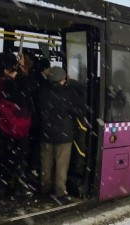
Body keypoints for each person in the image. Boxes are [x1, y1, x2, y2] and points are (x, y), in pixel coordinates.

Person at [38, 66, 84, 202]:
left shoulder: (42, 91)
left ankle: (45, 188)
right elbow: (78, 110)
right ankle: (60, 192)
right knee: (61, 165)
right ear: (63, 78)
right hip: (64, 135)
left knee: (46, 163)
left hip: (46, 133)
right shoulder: (68, 92)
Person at [0, 52, 33, 199]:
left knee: (5, 161)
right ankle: (17, 188)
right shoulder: (24, 83)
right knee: (18, 161)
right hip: (22, 130)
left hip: (5, 130)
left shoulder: (1, 84)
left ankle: (6, 189)